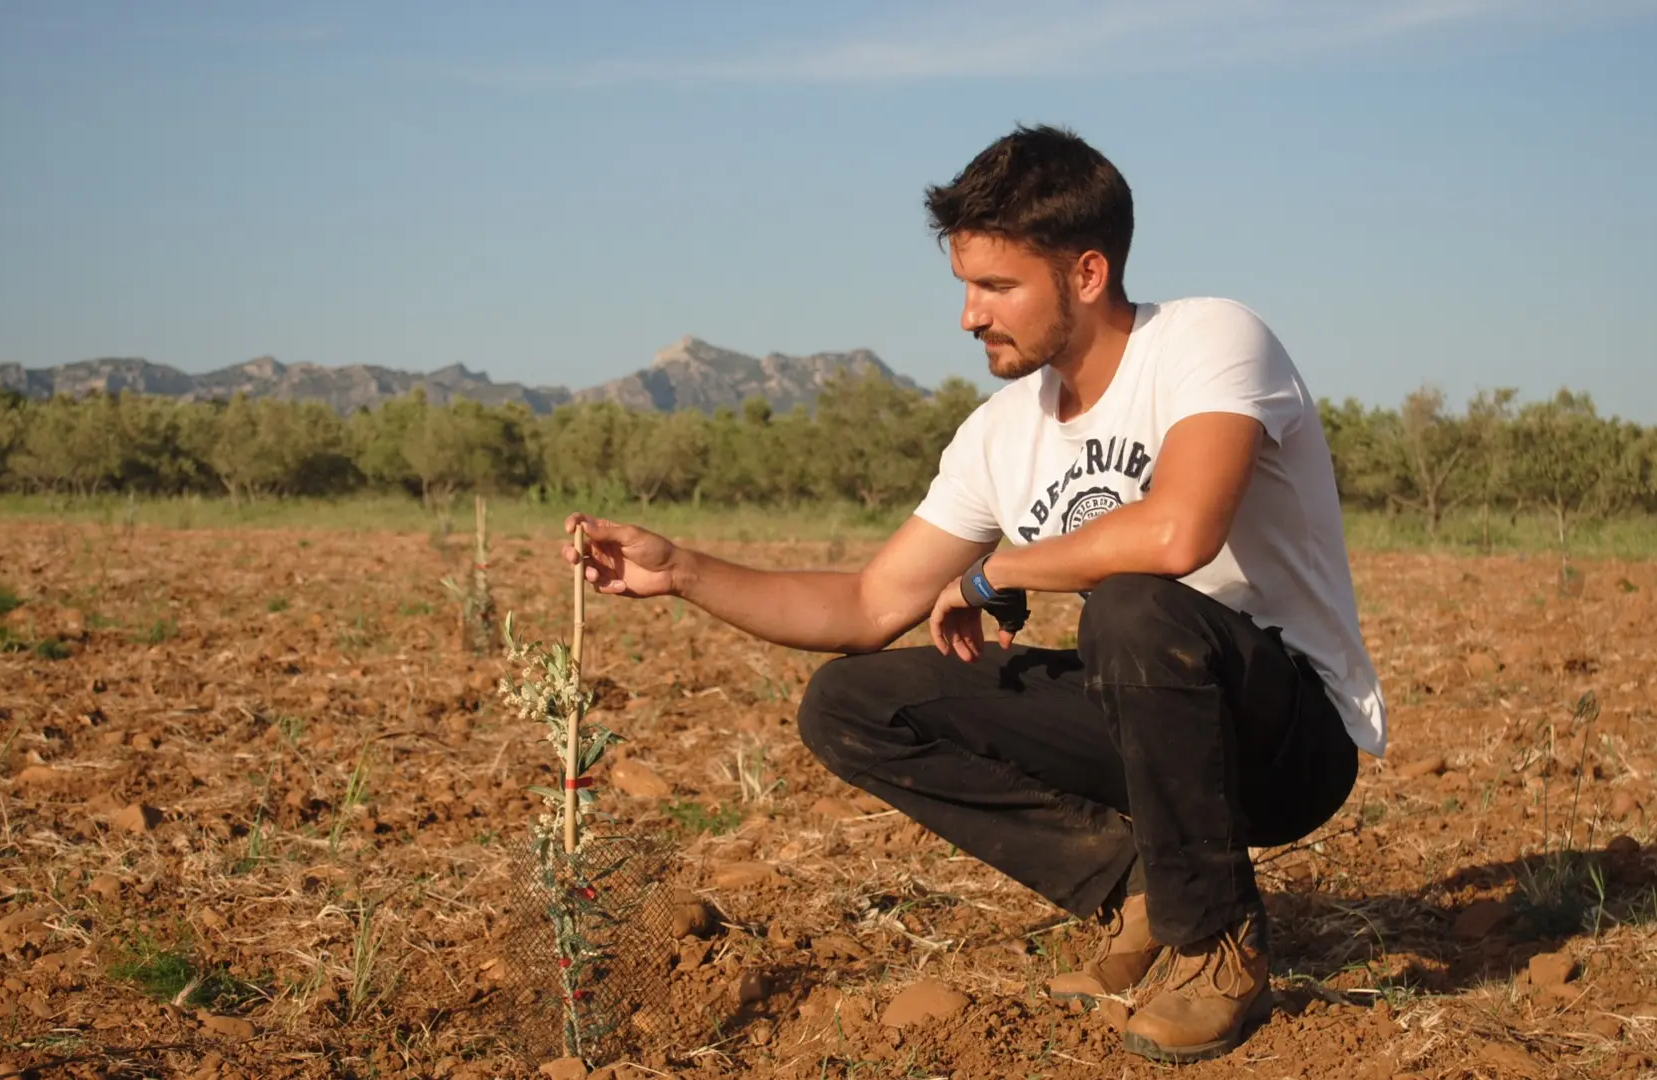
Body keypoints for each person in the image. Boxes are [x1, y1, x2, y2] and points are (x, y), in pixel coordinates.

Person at [561, 124, 1386, 1064]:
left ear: (1085, 273)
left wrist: (999, 572)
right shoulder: (1001, 434)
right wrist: (685, 573)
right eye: (964, 285)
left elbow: (1176, 533)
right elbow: (869, 606)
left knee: (1131, 603)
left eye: (996, 287)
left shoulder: (1208, 340)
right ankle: (1144, 887)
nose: (968, 315)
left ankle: (1216, 950)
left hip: (1287, 735)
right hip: (1149, 713)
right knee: (851, 702)